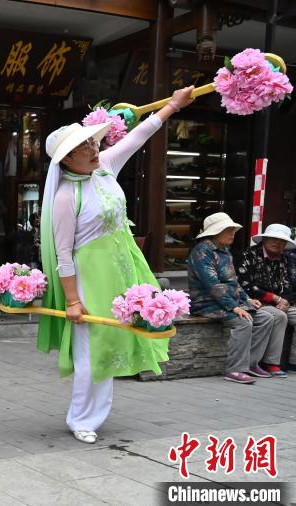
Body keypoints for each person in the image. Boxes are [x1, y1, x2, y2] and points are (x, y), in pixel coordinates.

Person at [38, 86, 195, 445]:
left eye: (92, 142)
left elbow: (139, 136)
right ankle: (80, 419)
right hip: (89, 278)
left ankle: (96, 416)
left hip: (123, 269)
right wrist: (73, 300)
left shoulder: (105, 168)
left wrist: (173, 105)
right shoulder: (65, 196)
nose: (93, 149)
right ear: (66, 160)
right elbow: (64, 254)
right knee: (90, 352)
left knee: (109, 346)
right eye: (84, 147)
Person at [188, 212, 275, 384]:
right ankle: (235, 370)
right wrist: (234, 307)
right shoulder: (202, 252)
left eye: (233, 230)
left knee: (266, 318)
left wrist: (247, 299)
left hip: (227, 301)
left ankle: (251, 364)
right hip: (207, 303)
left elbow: (233, 281)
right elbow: (213, 286)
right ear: (216, 232)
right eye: (228, 230)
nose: (232, 233)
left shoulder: (225, 251)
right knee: (243, 322)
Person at [236, 223, 296, 377]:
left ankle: (293, 363)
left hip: (280, 301)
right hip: (255, 300)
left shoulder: (284, 258)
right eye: (273, 239)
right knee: (279, 316)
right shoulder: (248, 255)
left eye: (281, 241)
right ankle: (271, 363)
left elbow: (289, 284)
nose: (277, 243)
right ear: (264, 239)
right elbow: (245, 284)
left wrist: (285, 300)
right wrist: (275, 298)